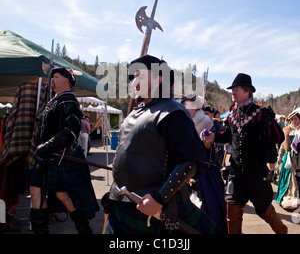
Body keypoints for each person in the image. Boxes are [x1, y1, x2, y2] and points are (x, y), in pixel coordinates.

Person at [103, 54, 222, 234]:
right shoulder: (135, 113)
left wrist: (160, 198)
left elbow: (191, 160)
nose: (134, 79)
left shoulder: (173, 112)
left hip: (155, 206)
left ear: (159, 79)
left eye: (139, 74)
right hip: (123, 204)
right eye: (133, 76)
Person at [203, 73, 287, 234]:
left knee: (264, 211)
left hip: (256, 172)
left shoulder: (261, 113)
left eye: (236, 90)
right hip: (235, 173)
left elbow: (278, 137)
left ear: (247, 91)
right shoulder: (233, 114)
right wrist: (212, 136)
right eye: (232, 90)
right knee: (232, 214)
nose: (232, 93)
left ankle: (282, 230)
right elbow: (227, 134)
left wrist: (270, 125)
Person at [29, 67, 99, 234]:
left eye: (56, 76)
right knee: (35, 190)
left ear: (66, 80)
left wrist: (44, 148)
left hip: (61, 157)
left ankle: (84, 229)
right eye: (52, 76)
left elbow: (70, 132)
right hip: (48, 156)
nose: (52, 79)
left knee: (63, 196)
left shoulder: (68, 100)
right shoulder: (54, 100)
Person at [181, 95, 227, 234]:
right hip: (182, 170)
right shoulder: (181, 123)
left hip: (203, 172)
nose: (185, 108)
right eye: (183, 105)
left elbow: (208, 146)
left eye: (188, 105)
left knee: (210, 209)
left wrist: (206, 140)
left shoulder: (206, 122)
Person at [276, 108, 300, 210]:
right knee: (287, 177)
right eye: (292, 119)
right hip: (288, 158)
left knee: (295, 178)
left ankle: (295, 197)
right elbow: (282, 145)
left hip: (298, 158)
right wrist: (280, 157)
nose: (293, 121)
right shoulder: (287, 130)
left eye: (296, 119)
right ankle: (286, 196)